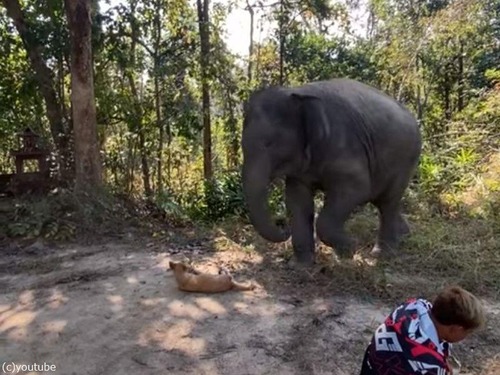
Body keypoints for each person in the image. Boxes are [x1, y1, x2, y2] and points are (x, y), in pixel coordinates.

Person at [359, 285, 486, 375]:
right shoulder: (429, 366)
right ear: (456, 329)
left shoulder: (414, 306)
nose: (467, 336)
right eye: (467, 332)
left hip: (373, 365)